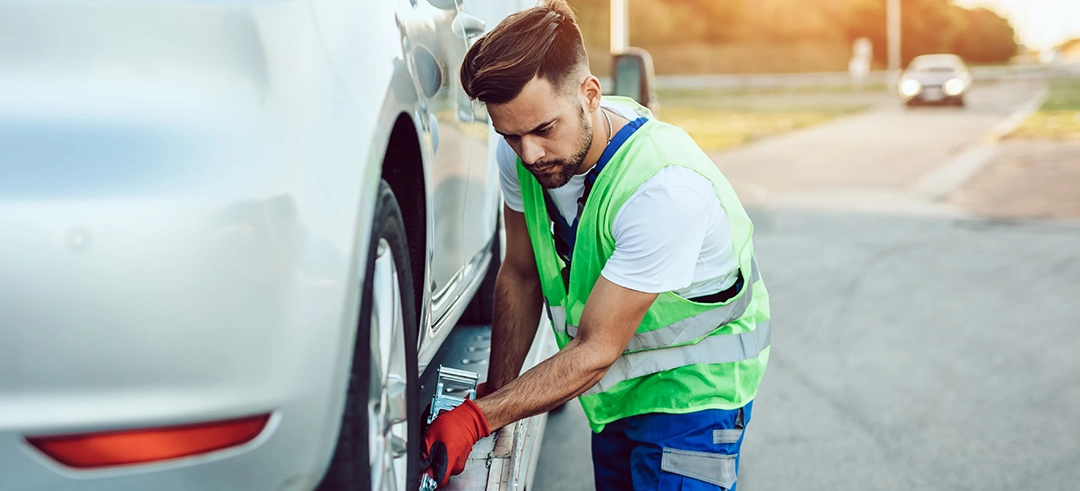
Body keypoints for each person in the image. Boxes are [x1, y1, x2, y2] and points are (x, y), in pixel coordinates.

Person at [420, 1, 771, 489]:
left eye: (544, 129)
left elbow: (596, 348)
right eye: (511, 135)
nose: (530, 154)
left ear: (589, 94)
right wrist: (498, 395)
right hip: (615, 398)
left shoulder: (663, 189)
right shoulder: (520, 153)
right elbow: (520, 273)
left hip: (695, 400)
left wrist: (480, 418)